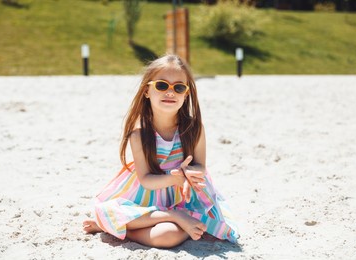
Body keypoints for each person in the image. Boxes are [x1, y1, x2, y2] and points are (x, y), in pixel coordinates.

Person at [83, 54, 239, 248]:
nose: (170, 92)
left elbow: (201, 167)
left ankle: (117, 227)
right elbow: (146, 179)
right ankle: (170, 216)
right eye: (162, 85)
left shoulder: (194, 128)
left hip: (186, 199)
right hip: (147, 198)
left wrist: (189, 173)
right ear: (147, 90)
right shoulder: (139, 135)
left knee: (168, 236)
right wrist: (173, 179)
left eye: (179, 87)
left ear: (186, 94)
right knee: (112, 212)